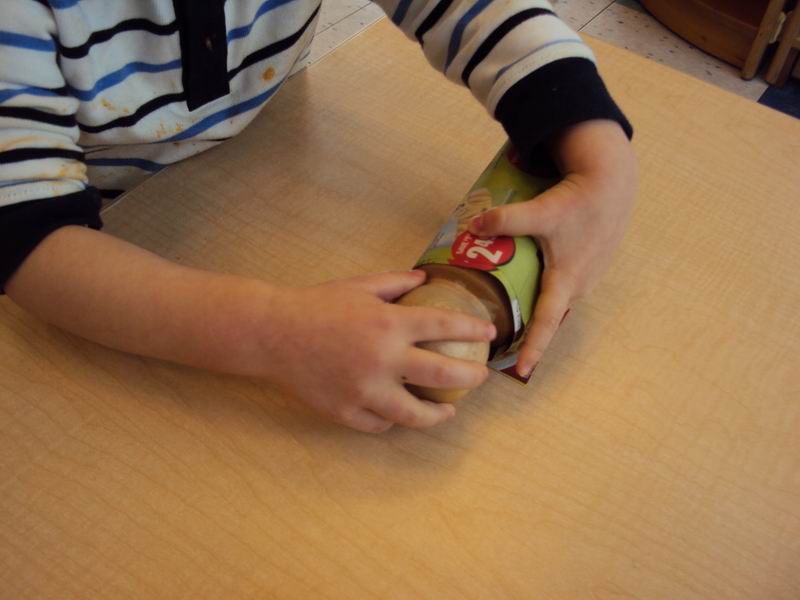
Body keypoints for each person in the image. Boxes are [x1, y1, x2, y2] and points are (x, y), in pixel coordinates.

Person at [0, 0, 638, 433]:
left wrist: (600, 151)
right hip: (102, 231)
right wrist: (273, 333)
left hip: (262, 154)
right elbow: (25, 234)